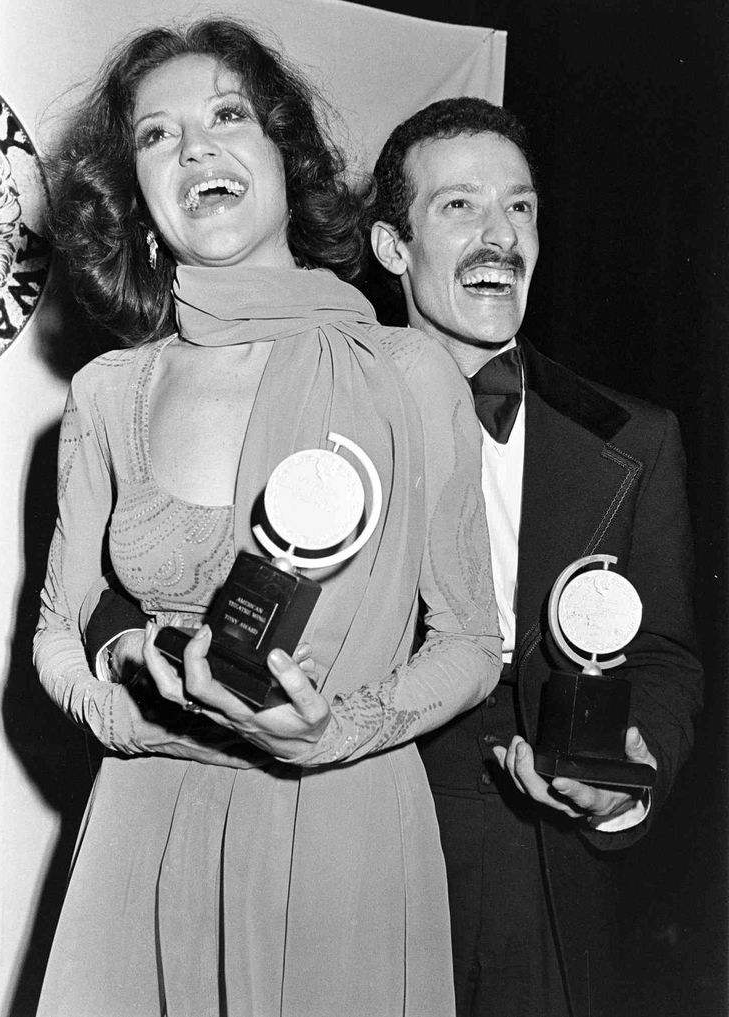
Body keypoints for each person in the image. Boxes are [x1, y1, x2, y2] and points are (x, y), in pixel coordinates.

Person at [34, 27, 502, 1017]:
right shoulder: (110, 394)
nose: (195, 149)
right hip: (143, 835)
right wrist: (119, 716)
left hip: (341, 840)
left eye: (227, 116)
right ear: (138, 198)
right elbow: (54, 635)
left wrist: (335, 733)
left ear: (288, 157)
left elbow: (469, 643)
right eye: (157, 135)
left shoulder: (408, 375)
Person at [369, 97, 703, 1017]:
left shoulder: (634, 436)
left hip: (540, 867)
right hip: (360, 829)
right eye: (460, 207)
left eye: (519, 208)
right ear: (393, 248)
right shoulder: (324, 415)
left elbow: (667, 659)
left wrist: (627, 778)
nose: (500, 237)